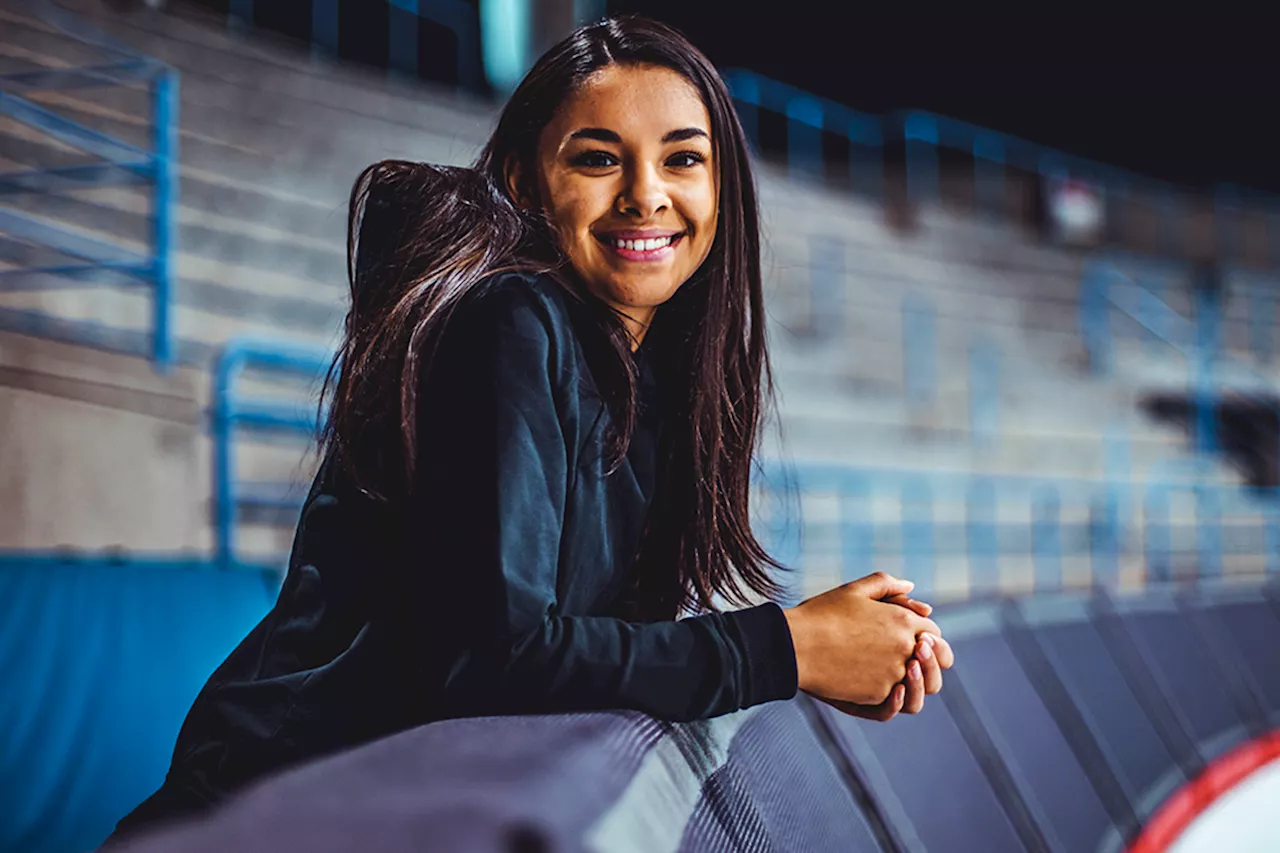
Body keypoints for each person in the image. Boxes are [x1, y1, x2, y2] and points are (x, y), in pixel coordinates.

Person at [105, 15, 953, 844]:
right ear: (522, 179)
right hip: (268, 817)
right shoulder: (507, 319)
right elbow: (492, 654)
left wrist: (836, 648)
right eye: (598, 159)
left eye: (683, 158)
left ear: (721, 186)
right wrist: (787, 648)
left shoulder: (647, 369)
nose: (647, 193)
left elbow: (584, 638)